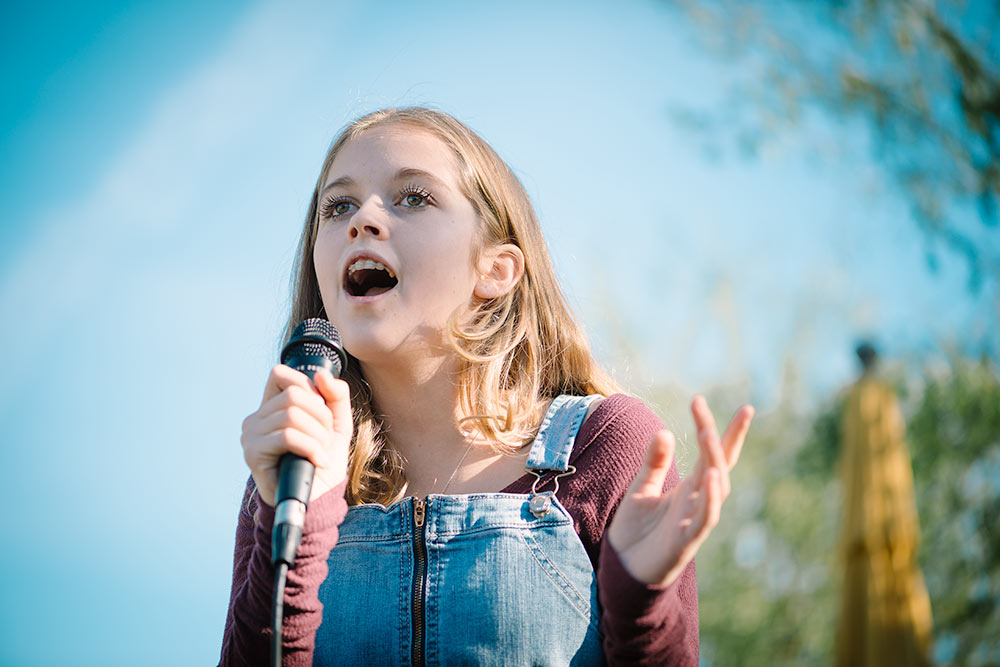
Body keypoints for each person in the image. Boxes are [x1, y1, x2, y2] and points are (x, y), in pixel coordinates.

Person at [219, 107, 754, 666]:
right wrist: (303, 522)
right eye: (338, 206)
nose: (363, 220)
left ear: (495, 270)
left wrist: (641, 603)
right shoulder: (290, 475)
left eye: (413, 197)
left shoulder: (607, 446)